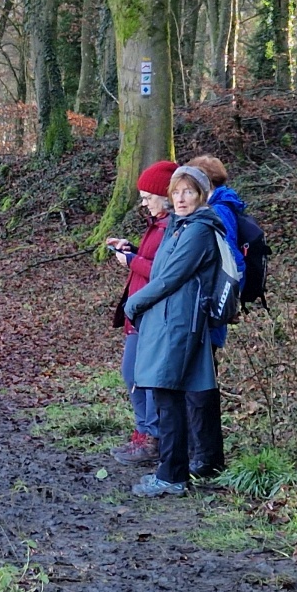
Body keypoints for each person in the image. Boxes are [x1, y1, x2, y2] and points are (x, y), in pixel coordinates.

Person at [123, 166, 228, 498]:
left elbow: (169, 277)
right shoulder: (178, 227)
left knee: (167, 396)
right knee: (168, 395)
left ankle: (170, 475)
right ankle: (174, 471)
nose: (181, 199)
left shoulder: (198, 230)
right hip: (168, 319)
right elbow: (160, 271)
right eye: (177, 192)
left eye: (189, 192)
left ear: (201, 195)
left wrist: (133, 303)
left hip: (178, 322)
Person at [106, 161, 178, 465]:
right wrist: (130, 248)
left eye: (149, 196)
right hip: (139, 311)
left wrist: (130, 260)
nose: (144, 203)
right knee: (132, 374)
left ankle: (151, 438)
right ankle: (143, 433)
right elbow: (149, 259)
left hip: (152, 313)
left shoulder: (171, 228)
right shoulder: (157, 225)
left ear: (165, 195)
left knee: (143, 377)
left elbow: (161, 272)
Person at [184, 155, 247, 481]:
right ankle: (199, 454)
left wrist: (214, 303)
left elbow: (231, 263)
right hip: (206, 312)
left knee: (201, 387)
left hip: (208, 314)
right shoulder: (221, 208)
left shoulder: (218, 213)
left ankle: (205, 459)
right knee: (195, 385)